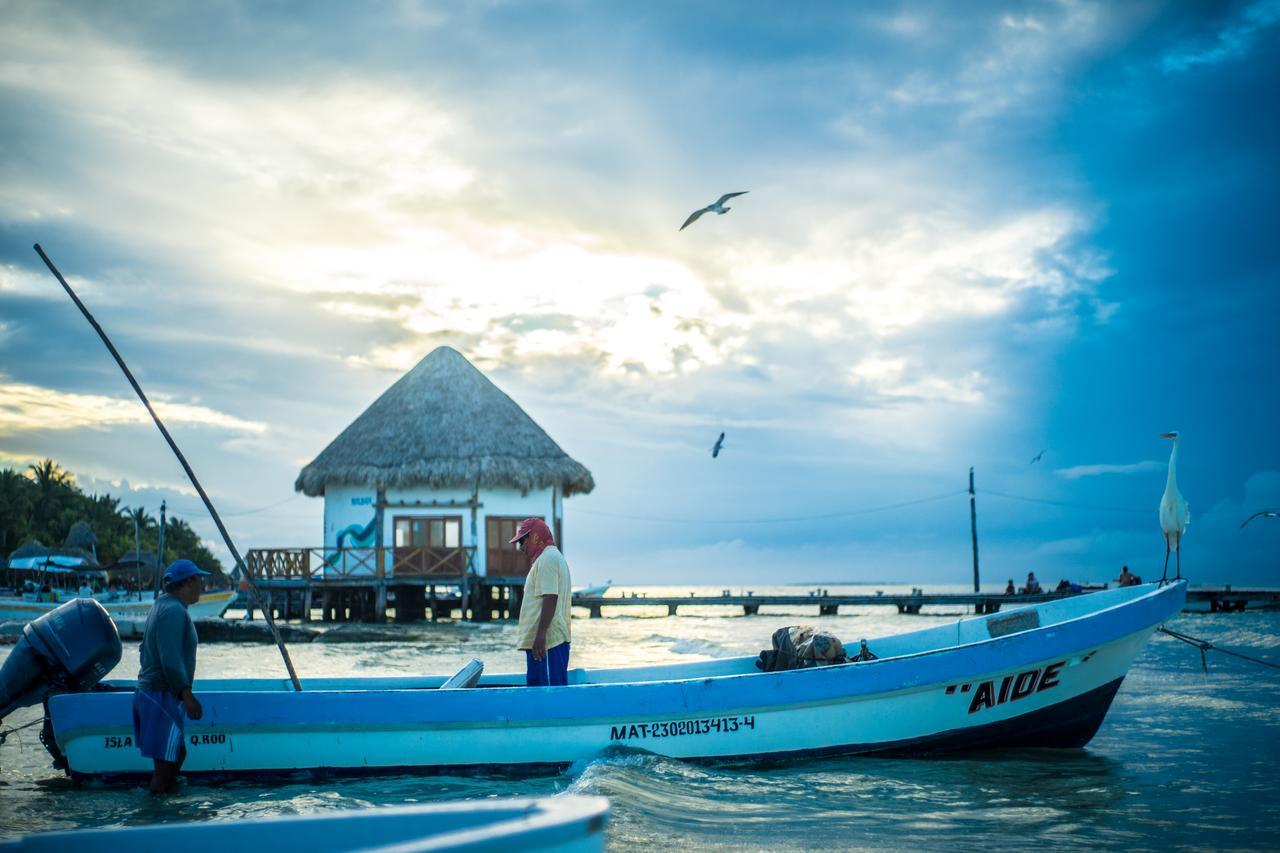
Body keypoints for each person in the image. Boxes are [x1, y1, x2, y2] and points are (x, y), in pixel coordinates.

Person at [133, 559, 207, 795]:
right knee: (167, 762)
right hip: (160, 692)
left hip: (156, 692)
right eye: (198, 580)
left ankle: (166, 807)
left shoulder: (163, 605)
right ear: (187, 582)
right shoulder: (174, 611)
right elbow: (171, 659)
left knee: (175, 754)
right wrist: (187, 695)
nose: (201, 585)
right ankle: (156, 816)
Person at [511, 518, 572, 687]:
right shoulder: (550, 557)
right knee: (542, 691)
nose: (521, 547)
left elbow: (550, 597)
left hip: (547, 643)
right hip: (546, 642)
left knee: (547, 694)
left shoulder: (548, 559)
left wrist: (540, 637)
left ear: (534, 537)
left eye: (522, 541)